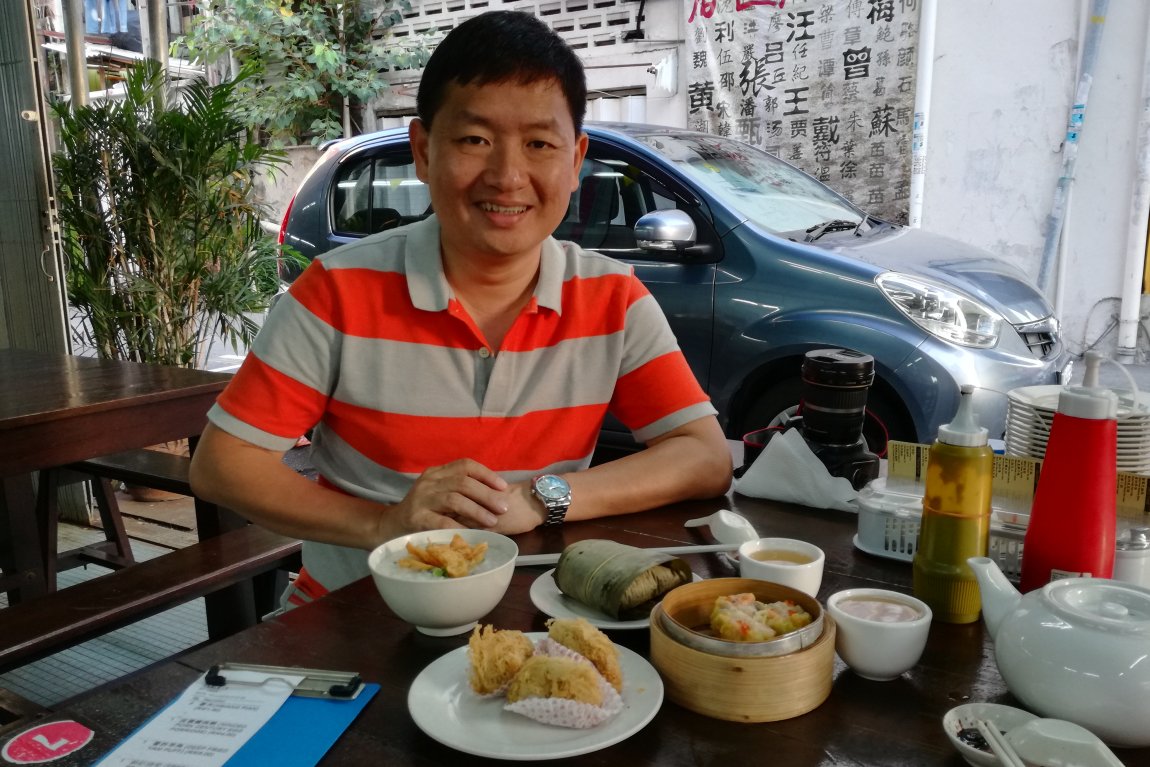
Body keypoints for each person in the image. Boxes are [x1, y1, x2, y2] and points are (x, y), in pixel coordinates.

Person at [189, 10, 732, 607]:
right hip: (354, 617)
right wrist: (385, 524)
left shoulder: (614, 299)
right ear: (423, 151)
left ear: (574, 161)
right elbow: (223, 464)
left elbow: (703, 456)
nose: (507, 176)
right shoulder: (337, 292)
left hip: (541, 616)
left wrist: (542, 497)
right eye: (475, 140)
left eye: (539, 144)